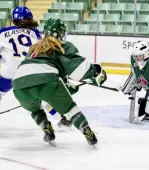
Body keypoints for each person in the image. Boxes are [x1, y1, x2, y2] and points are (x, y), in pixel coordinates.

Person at [12, 18, 107, 146]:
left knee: (34, 109)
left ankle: (46, 128)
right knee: (70, 108)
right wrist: (96, 71)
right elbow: (79, 69)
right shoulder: (61, 45)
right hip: (46, 80)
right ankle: (87, 131)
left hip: (19, 85)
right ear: (60, 33)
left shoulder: (34, 47)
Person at [0, 6, 41, 101]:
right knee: (42, 97)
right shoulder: (35, 33)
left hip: (9, 72)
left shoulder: (3, 32)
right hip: (29, 72)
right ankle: (58, 115)